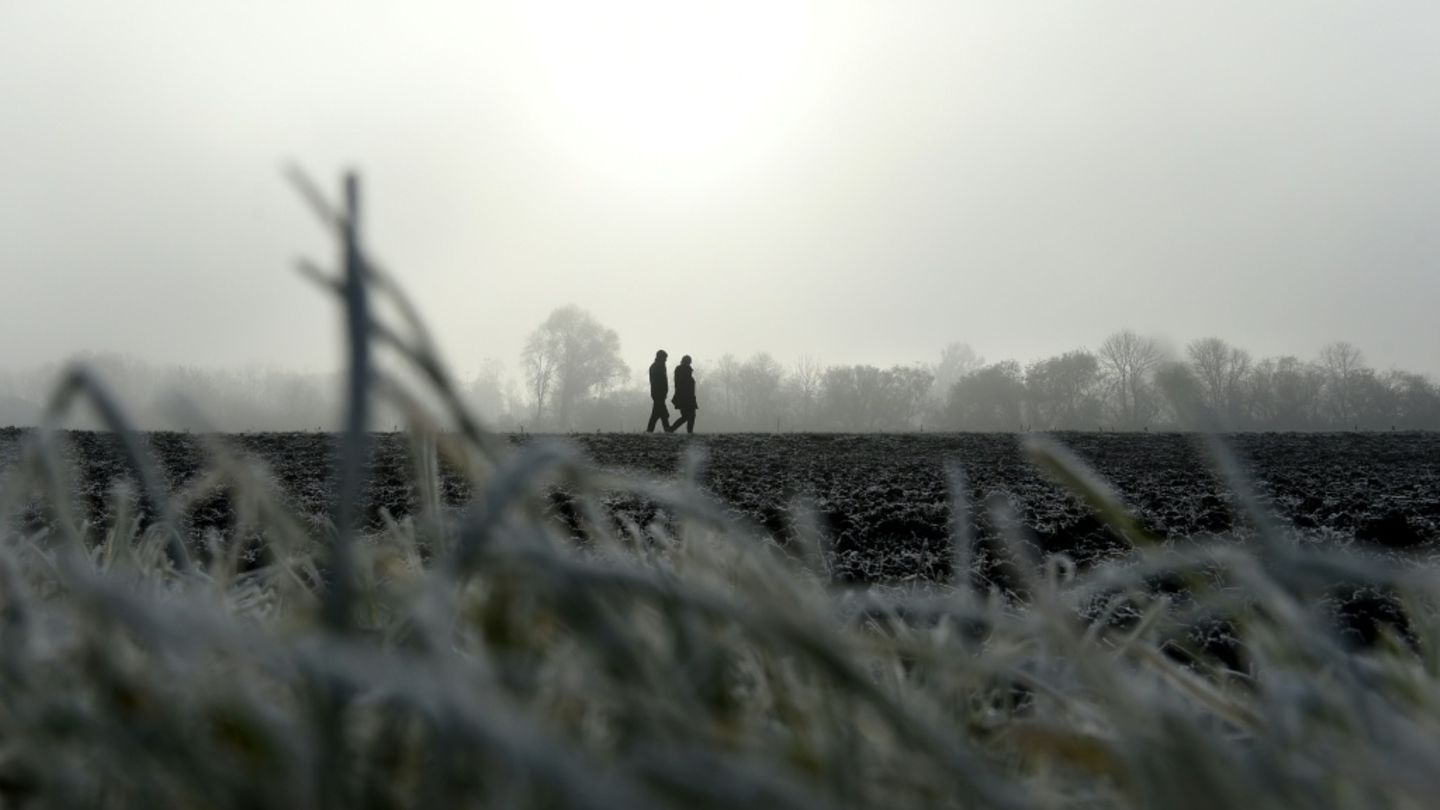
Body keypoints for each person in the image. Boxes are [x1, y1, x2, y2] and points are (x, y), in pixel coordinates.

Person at [668, 355, 698, 434]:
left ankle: (672, 429)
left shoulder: (680, 370)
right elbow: (685, 384)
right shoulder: (685, 370)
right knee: (689, 416)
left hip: (684, 397)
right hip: (687, 397)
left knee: (687, 416)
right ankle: (686, 431)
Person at [646, 350, 672, 433]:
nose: (666, 360)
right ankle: (667, 430)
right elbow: (660, 381)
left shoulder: (655, 366)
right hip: (659, 393)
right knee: (662, 414)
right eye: (665, 358)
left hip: (657, 393)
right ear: (661, 357)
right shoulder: (659, 367)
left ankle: (650, 431)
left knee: (657, 414)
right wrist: (663, 391)